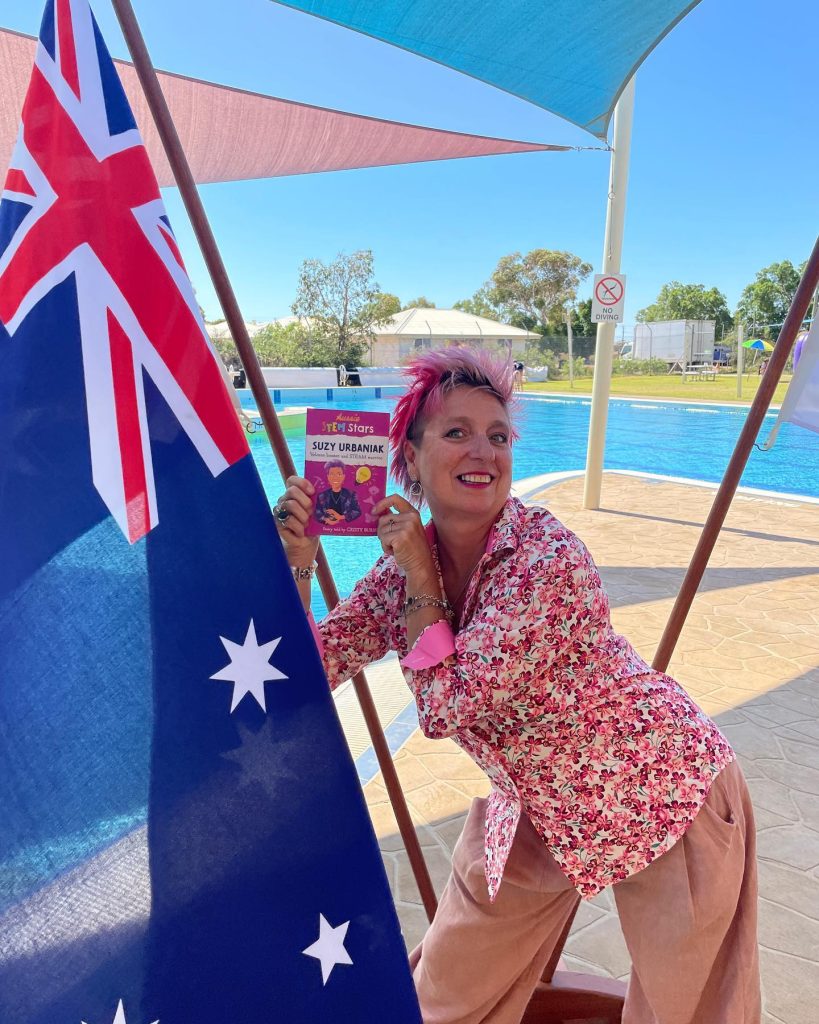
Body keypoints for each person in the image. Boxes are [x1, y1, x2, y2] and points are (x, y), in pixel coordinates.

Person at [273, 348, 760, 1024]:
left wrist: (418, 573)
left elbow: (445, 705)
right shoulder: (401, 574)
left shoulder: (544, 559)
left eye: (498, 435)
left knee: (685, 1010)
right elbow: (306, 672)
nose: (484, 450)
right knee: (444, 991)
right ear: (410, 461)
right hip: (535, 801)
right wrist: (295, 568)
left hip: (660, 788)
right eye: (456, 432)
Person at [313, 459, 361, 525]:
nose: (335, 478)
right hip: (327, 528)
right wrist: (325, 519)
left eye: (339, 474)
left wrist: (341, 517)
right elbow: (317, 512)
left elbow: (357, 511)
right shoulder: (322, 496)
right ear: (328, 477)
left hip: (346, 528)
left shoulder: (351, 494)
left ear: (343, 476)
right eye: (332, 474)